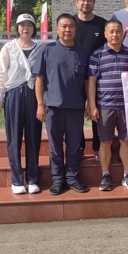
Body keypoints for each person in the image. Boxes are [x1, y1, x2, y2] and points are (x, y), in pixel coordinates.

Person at [33, 13, 89, 195]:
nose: (67, 30)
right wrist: (40, 104)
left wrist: (89, 104)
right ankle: (57, 179)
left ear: (75, 29)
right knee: (55, 146)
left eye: (71, 26)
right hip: (53, 107)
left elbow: (87, 81)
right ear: (56, 28)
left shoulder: (82, 52)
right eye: (64, 26)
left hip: (75, 107)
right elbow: (39, 79)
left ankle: (72, 178)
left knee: (74, 146)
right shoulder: (47, 50)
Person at [0, 13, 43, 194]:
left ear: (34, 28)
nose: (26, 28)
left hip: (33, 93)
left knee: (33, 136)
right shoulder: (9, 47)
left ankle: (32, 178)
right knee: (14, 137)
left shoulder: (41, 47)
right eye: (22, 25)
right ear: (17, 28)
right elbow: (1, 71)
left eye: (29, 25)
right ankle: (16, 180)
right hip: (13, 93)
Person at [88, 19, 128, 191]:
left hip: (126, 107)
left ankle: (127, 175)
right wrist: (92, 105)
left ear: (123, 33)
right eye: (111, 31)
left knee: (126, 141)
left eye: (118, 31)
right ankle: (105, 175)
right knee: (105, 142)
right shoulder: (97, 55)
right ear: (105, 34)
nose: (115, 34)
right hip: (104, 106)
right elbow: (91, 81)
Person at [74, 0, 107, 161]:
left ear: (94, 3)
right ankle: (78, 147)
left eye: (89, 0)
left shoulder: (101, 24)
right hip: (75, 77)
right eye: (82, 0)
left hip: (97, 77)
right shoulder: (70, 23)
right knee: (76, 112)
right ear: (77, 2)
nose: (85, 3)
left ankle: (97, 147)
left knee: (96, 111)